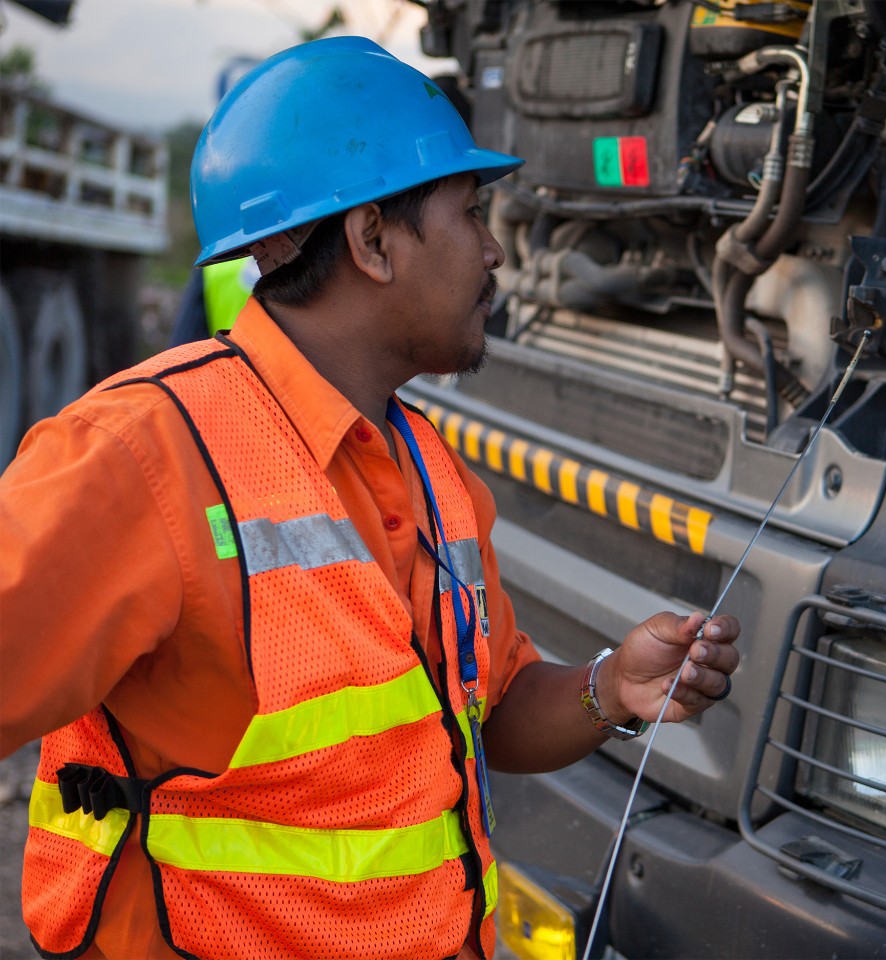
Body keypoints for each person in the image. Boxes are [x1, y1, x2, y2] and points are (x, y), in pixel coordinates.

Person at [0, 36, 739, 960]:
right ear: (374, 241)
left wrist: (611, 687)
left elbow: (487, 711)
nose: (495, 250)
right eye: (470, 213)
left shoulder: (428, 468)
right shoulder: (144, 458)